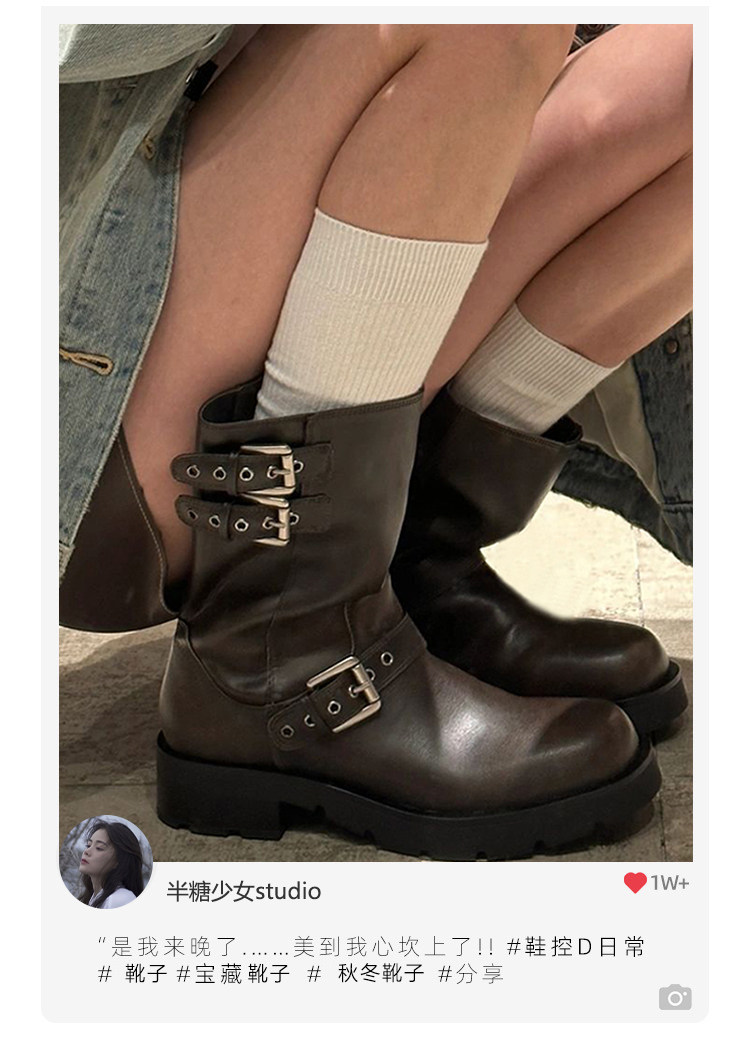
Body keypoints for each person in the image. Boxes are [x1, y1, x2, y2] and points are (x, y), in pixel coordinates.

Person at [59, 24, 692, 859]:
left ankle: (399, 560)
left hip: (212, 298)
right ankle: (285, 655)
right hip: (93, 412)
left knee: (703, 68)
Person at [78, 820, 144, 909]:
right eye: (88, 845)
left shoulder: (120, 899)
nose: (86, 851)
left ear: (119, 861)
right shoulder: (92, 898)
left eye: (99, 848)